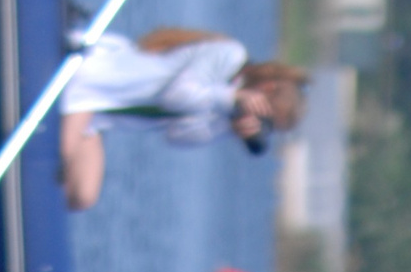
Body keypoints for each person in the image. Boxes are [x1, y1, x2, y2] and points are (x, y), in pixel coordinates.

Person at [54, 27, 307, 212]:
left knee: (83, 196)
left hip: (98, 114)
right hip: (91, 80)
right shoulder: (230, 57)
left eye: (269, 127)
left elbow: (177, 136)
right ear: (268, 88)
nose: (262, 125)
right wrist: (231, 98)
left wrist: (227, 126)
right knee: (63, 151)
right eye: (268, 119)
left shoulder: (228, 110)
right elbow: (175, 96)